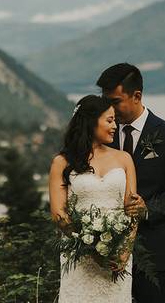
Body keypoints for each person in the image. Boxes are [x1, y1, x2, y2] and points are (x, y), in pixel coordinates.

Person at [98, 62, 165, 303]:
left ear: (137, 96)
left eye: (115, 101)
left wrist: (148, 210)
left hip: (156, 252)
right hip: (106, 250)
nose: (110, 109)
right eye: (106, 101)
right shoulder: (102, 136)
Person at [49, 95, 138, 303]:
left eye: (115, 120)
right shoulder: (62, 162)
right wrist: (91, 248)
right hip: (79, 257)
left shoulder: (124, 159)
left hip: (117, 257)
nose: (115, 126)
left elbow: (132, 210)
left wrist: (125, 251)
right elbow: (59, 215)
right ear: (90, 121)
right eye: (109, 120)